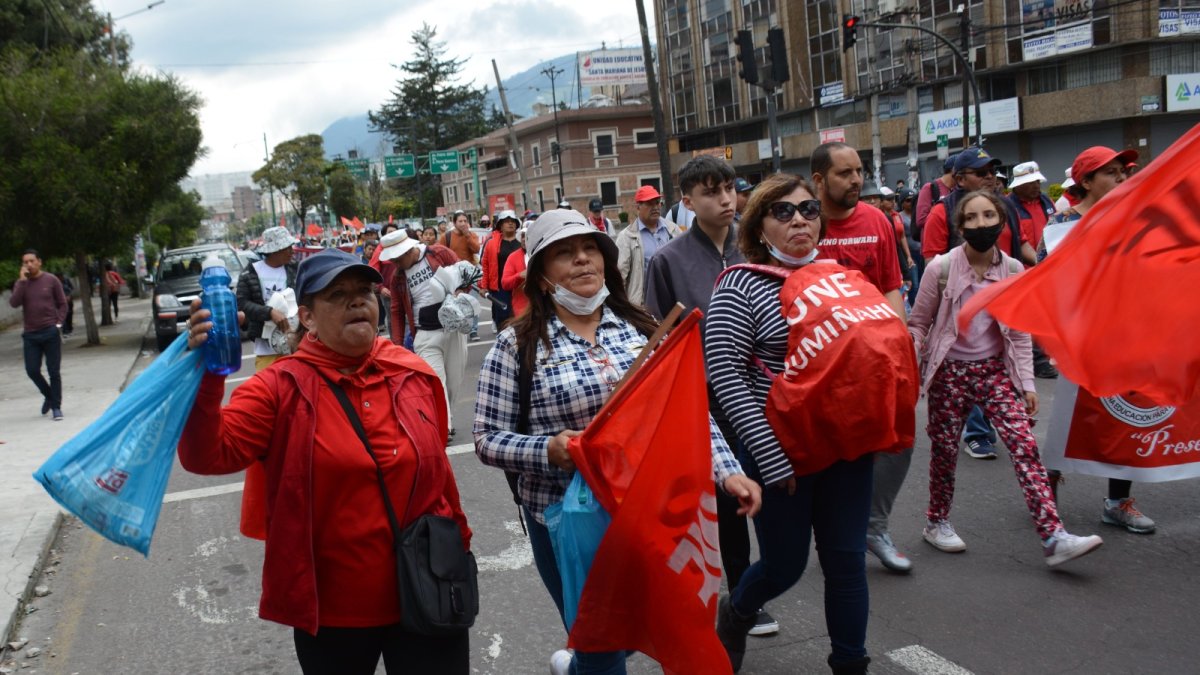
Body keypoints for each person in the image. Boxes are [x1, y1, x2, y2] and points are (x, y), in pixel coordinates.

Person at [474, 209, 760, 675]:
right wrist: (549, 449)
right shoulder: (516, 347)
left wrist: (729, 473)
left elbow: (686, 413)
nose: (583, 260)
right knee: (602, 642)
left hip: (653, 514)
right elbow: (486, 439)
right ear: (542, 277)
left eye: (591, 250)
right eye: (565, 254)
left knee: (661, 623)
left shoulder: (644, 327)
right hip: (568, 522)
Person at [178, 248, 472, 674]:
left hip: (430, 590)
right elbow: (207, 455)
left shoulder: (411, 371)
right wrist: (206, 376)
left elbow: (439, 475)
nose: (356, 301)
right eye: (337, 295)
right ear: (308, 317)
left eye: (364, 292)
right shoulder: (277, 388)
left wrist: (460, 545)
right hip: (335, 613)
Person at [708, 174, 877, 675]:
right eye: (783, 212)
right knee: (784, 566)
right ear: (759, 227)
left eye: (807, 209)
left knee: (846, 562)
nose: (799, 219)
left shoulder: (842, 276)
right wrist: (770, 456)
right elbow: (725, 377)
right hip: (781, 453)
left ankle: (850, 664)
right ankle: (736, 611)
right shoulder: (741, 286)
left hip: (847, 449)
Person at [907, 189, 1104, 567]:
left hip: (995, 371)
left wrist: (1027, 384)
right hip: (949, 373)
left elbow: (1017, 331)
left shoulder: (1012, 269)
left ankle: (1054, 536)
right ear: (960, 226)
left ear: (1000, 220)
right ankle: (936, 522)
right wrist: (907, 364)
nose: (981, 224)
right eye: (972, 218)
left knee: (1023, 446)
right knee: (945, 453)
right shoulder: (941, 269)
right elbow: (919, 323)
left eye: (988, 216)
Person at [644, 156, 778, 636]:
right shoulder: (668, 261)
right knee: (730, 498)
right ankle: (743, 593)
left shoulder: (759, 248)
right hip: (709, 398)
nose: (725, 200)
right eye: (710, 192)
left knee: (773, 487)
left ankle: (766, 577)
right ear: (687, 201)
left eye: (729, 189)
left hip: (766, 393)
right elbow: (658, 336)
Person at [1044, 145, 1156, 535]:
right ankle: (1045, 495)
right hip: (1079, 338)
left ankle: (1117, 501)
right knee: (1072, 417)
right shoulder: (1060, 227)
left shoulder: (1131, 221)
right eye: (1111, 173)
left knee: (1124, 417)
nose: (1121, 179)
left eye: (1124, 172)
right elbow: (1050, 286)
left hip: (1124, 335)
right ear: (1086, 182)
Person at [809, 142, 910, 573]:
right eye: (844, 173)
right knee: (833, 455)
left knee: (897, 442)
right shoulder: (802, 224)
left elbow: (891, 284)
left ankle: (874, 525)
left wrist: (897, 341)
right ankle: (834, 533)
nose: (856, 181)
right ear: (818, 181)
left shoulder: (877, 220)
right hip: (822, 365)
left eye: (859, 171)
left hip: (876, 357)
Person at [380, 229, 468, 438]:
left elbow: (465, 273)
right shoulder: (397, 277)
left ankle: (447, 416)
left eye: (398, 258)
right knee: (436, 382)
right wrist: (397, 345)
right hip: (425, 335)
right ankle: (444, 426)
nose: (395, 264)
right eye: (392, 260)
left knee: (454, 380)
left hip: (452, 328)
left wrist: (460, 292)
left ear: (409, 250)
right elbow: (396, 310)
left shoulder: (438, 254)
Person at [9, 249, 67, 421]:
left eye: (32, 261)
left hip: (50, 331)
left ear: (39, 262)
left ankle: (56, 407)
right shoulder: (22, 283)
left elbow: (62, 303)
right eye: (25, 262)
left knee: (53, 371)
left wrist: (58, 323)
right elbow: (14, 303)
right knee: (32, 370)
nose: (29, 264)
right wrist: (21, 281)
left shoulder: (51, 280)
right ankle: (49, 395)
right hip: (30, 334)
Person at [237, 226, 300, 371]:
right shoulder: (250, 273)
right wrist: (269, 312)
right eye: (287, 247)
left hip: (295, 345)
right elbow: (242, 304)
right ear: (275, 250)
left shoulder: (295, 269)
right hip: (266, 351)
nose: (292, 251)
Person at [615, 185, 680, 304]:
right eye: (649, 204)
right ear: (638, 207)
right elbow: (619, 277)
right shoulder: (627, 237)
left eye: (657, 203)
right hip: (644, 305)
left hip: (674, 301)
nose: (655, 207)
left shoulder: (673, 230)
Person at [480, 210, 521, 330]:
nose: (510, 224)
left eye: (513, 221)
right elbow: (485, 265)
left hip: (520, 286)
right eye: (507, 222)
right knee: (503, 321)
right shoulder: (491, 243)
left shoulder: (522, 241)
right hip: (499, 288)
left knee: (522, 317)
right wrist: (483, 286)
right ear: (500, 226)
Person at [500, 220, 533, 318]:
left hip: (544, 308)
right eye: (522, 236)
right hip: (522, 310)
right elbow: (505, 283)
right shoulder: (513, 257)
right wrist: (519, 275)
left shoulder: (544, 255)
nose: (524, 239)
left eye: (527, 236)